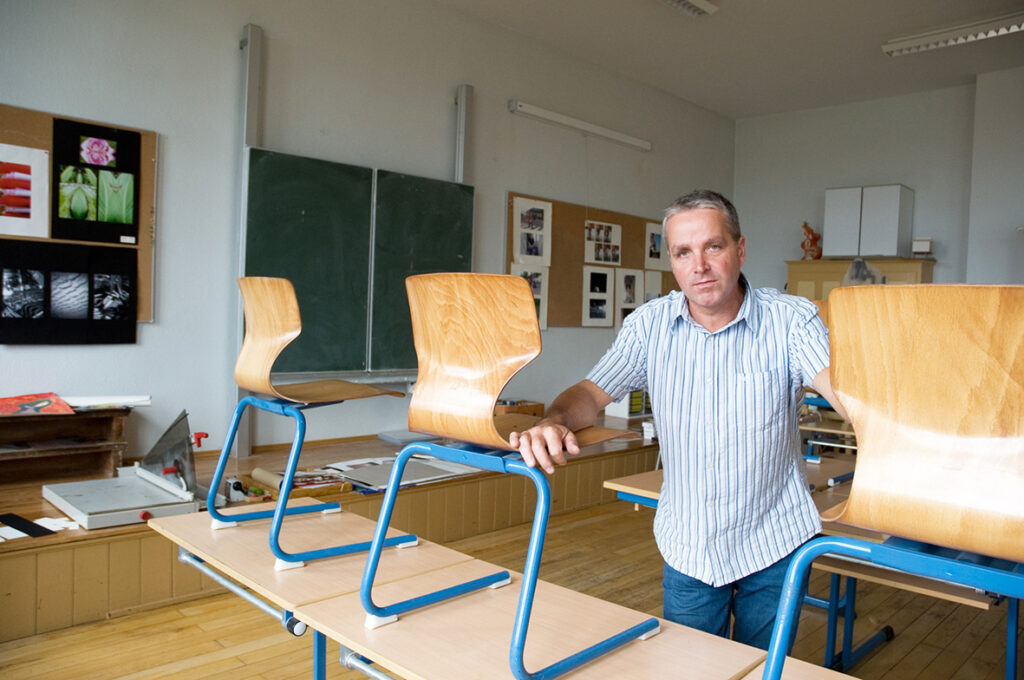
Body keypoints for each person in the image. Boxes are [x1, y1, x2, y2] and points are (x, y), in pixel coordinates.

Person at [509, 189, 845, 650]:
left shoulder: (791, 320)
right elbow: (589, 393)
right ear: (672, 260)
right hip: (689, 545)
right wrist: (554, 420)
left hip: (775, 543)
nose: (699, 266)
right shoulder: (649, 325)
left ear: (740, 249)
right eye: (683, 252)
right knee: (689, 666)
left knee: (765, 669)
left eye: (713, 247)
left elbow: (845, 394)